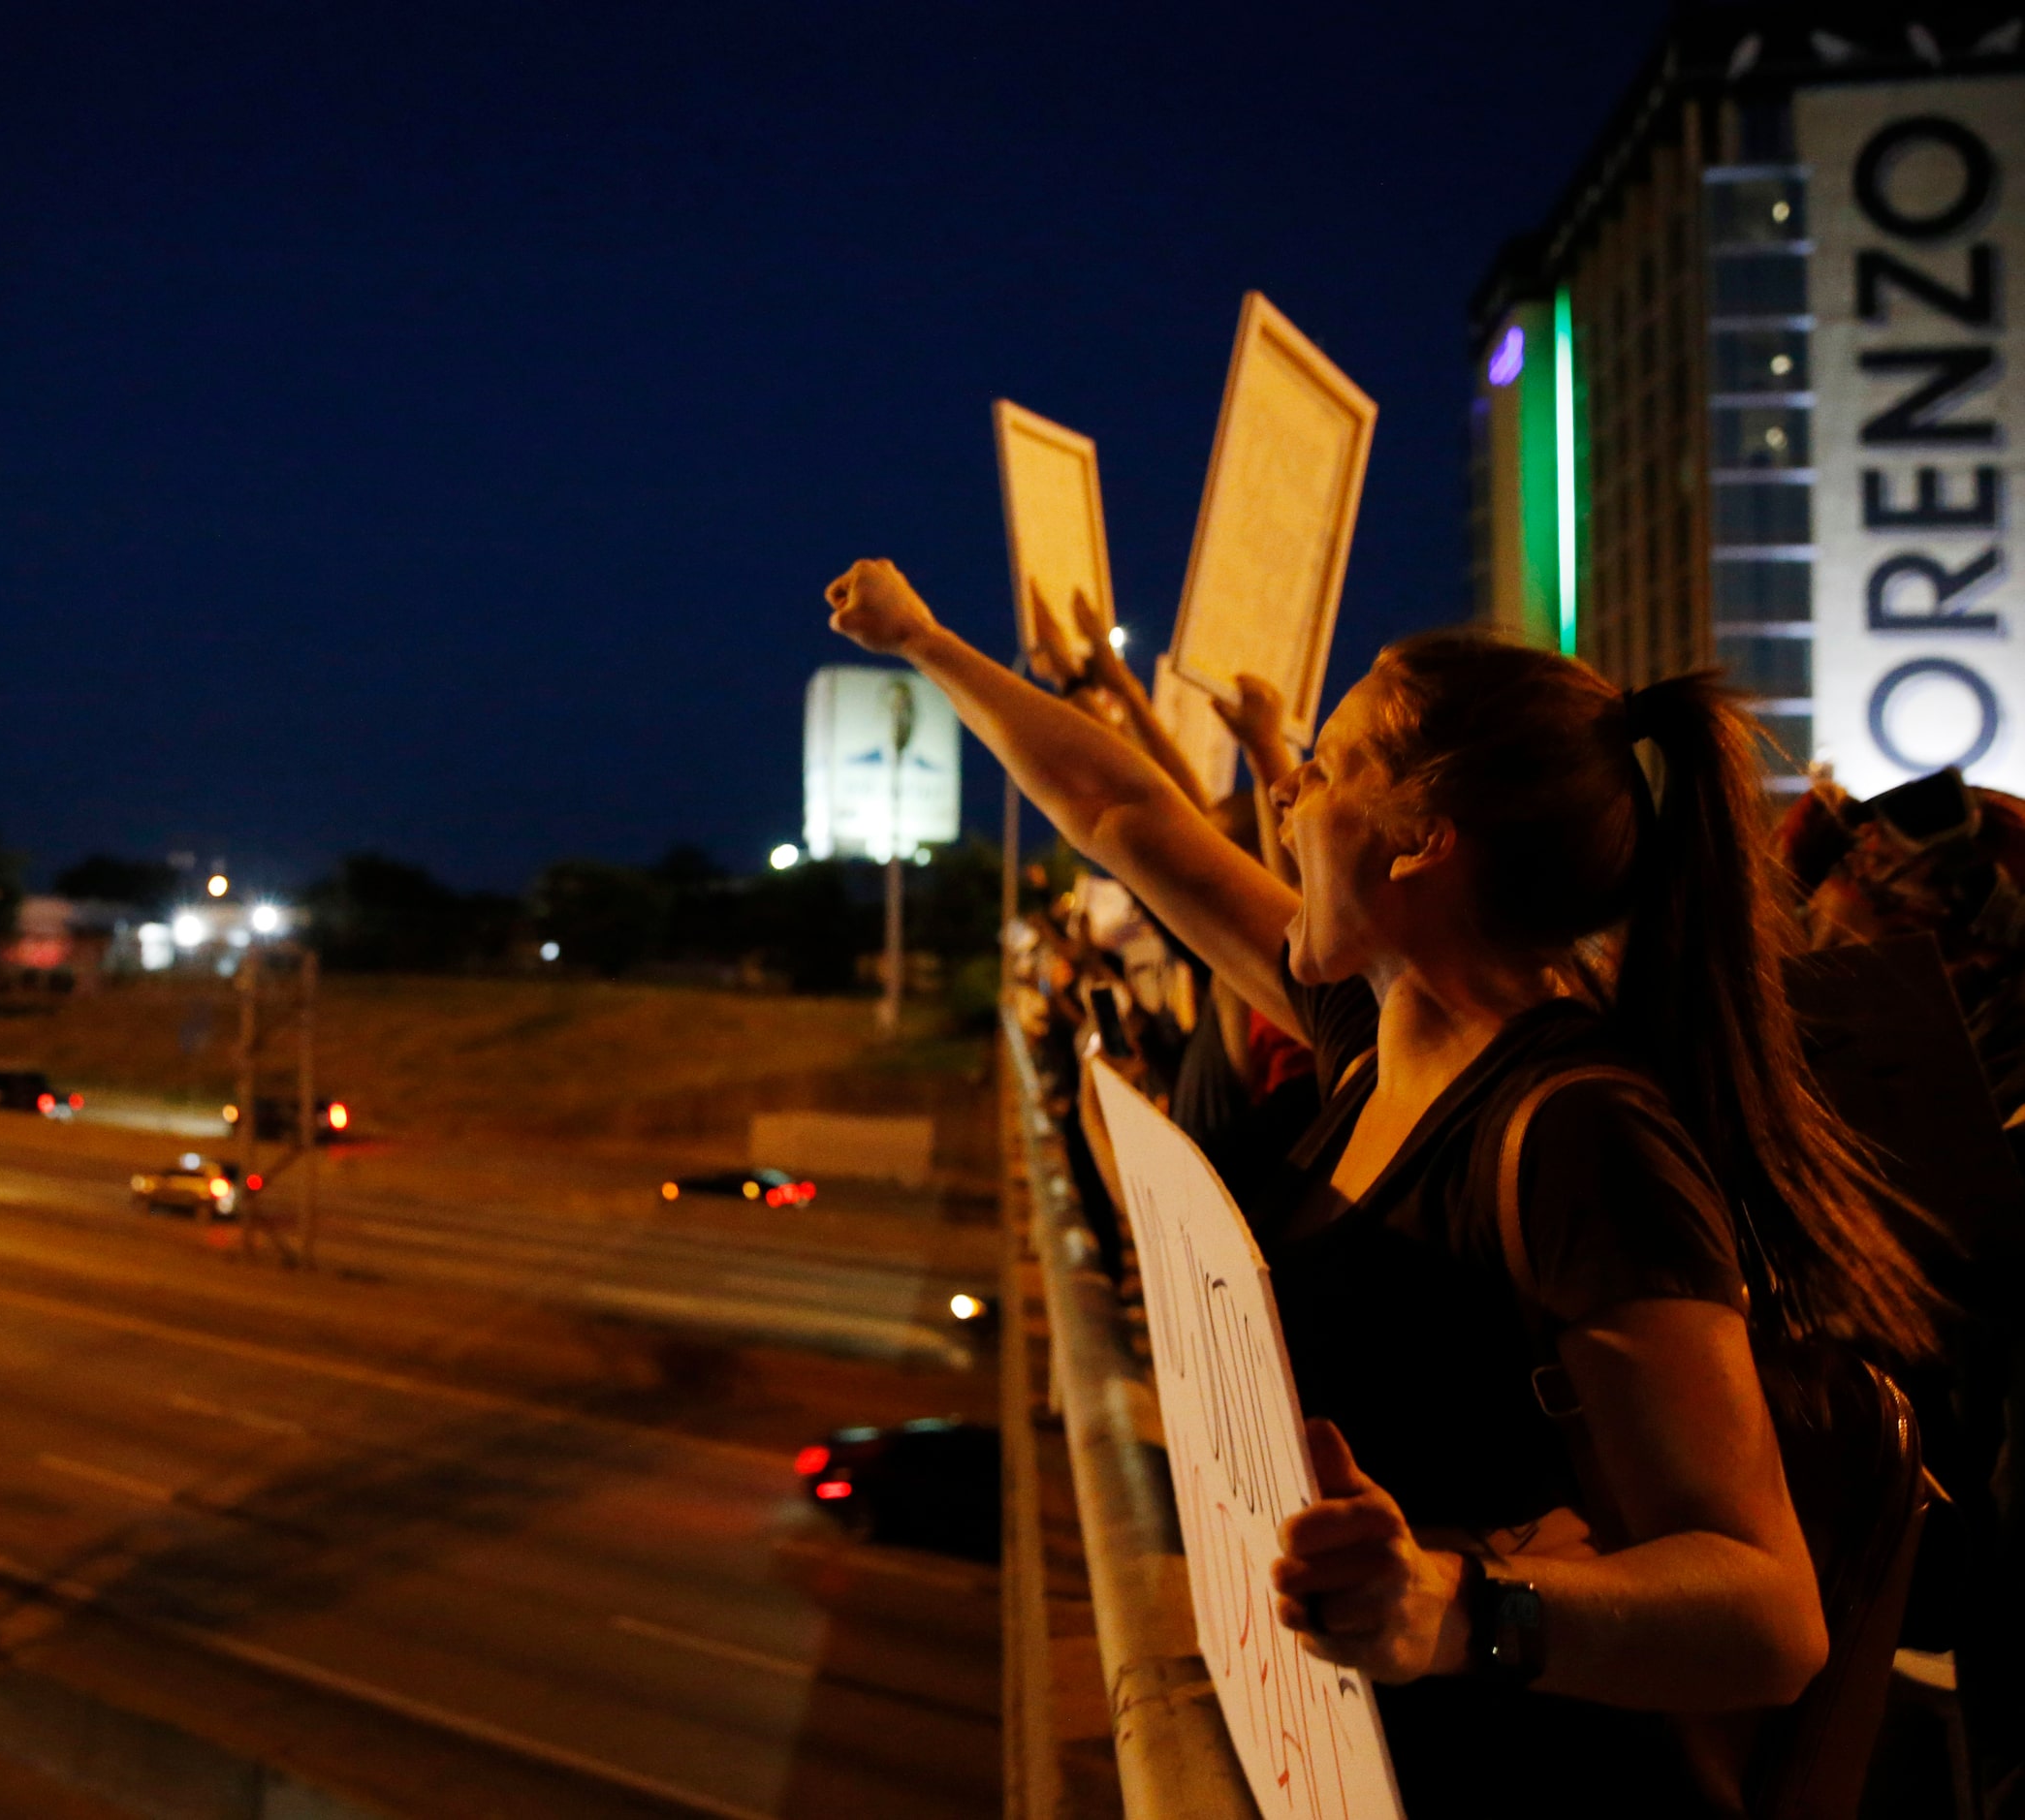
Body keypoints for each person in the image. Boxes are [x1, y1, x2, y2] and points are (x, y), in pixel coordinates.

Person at [825, 557, 1944, 1815]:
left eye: (1328, 763)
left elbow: (1767, 1610)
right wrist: (926, 639)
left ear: (1421, 839)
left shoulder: (1578, 1138)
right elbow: (1121, 814)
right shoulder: (1368, 1042)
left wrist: (1454, 1608)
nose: (1287, 792)